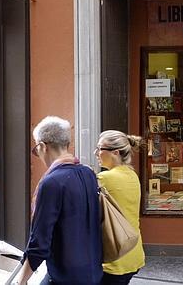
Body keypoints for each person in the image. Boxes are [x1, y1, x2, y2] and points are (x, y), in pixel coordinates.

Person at [14, 116, 103, 285]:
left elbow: (39, 241)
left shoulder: (52, 183)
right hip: (93, 271)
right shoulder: (88, 173)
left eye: (36, 150)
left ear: (42, 146)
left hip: (65, 275)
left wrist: (21, 281)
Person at [95, 130, 145, 285]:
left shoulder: (104, 178)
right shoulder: (132, 175)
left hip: (114, 255)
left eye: (100, 148)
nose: (96, 153)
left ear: (115, 152)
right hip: (132, 251)